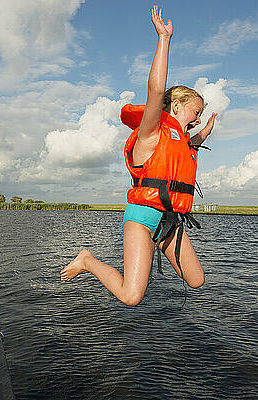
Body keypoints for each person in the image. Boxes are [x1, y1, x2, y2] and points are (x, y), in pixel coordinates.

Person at [60, 5, 217, 306]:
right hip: (142, 219)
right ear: (175, 107)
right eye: (195, 112)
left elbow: (189, 146)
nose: (198, 119)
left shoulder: (182, 140)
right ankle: (88, 261)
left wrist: (205, 131)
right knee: (132, 296)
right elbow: (156, 92)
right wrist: (164, 39)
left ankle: (154, 246)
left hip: (170, 220)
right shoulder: (152, 133)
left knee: (197, 280)